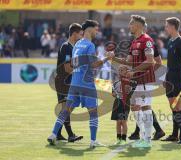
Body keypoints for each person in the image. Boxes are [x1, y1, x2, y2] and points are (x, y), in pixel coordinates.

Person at [47, 20, 114, 149]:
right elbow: (93, 65)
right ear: (89, 30)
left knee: (66, 110)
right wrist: (107, 58)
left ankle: (53, 134)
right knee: (93, 112)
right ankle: (93, 141)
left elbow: (72, 64)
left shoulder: (77, 44)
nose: (97, 31)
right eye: (96, 29)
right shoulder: (90, 45)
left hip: (74, 83)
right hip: (86, 84)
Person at [112, 15, 156, 148]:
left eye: (131, 24)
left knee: (145, 107)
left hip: (145, 80)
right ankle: (143, 136)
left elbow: (150, 61)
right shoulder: (134, 42)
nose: (129, 26)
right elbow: (128, 62)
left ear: (137, 25)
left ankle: (147, 139)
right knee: (135, 107)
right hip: (135, 81)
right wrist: (114, 59)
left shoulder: (147, 40)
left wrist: (134, 70)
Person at [128, 43, 165, 141]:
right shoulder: (137, 43)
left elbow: (157, 62)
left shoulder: (147, 42)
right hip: (136, 79)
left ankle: (146, 136)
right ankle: (142, 133)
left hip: (142, 80)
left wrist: (148, 73)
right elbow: (158, 62)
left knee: (144, 107)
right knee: (138, 106)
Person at [161, 17, 181, 144]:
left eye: (167, 26)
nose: (165, 28)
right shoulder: (170, 41)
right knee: (172, 105)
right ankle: (174, 135)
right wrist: (165, 77)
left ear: (173, 27)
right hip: (170, 76)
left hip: (178, 76)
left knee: (178, 106)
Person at [54, 23, 83, 142]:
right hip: (63, 81)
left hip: (67, 81)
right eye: (80, 34)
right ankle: (70, 135)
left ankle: (57, 134)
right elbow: (67, 68)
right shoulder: (66, 47)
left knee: (66, 108)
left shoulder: (73, 47)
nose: (81, 36)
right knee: (66, 107)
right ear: (74, 34)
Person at [111, 65, 137, 145]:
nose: (120, 71)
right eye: (119, 70)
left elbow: (133, 92)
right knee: (118, 122)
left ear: (127, 72)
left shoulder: (131, 82)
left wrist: (128, 89)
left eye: (122, 70)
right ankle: (118, 139)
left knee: (123, 121)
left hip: (125, 103)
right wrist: (114, 94)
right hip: (117, 103)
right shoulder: (115, 83)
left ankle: (124, 139)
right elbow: (113, 93)